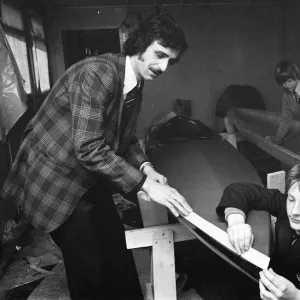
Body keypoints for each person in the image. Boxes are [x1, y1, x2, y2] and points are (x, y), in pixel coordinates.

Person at [0, 12, 193, 300]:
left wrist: (147, 167)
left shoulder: (134, 83)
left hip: (84, 176)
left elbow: (123, 138)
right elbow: (89, 147)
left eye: (171, 61)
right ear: (139, 45)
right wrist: (146, 185)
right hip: (55, 180)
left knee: (116, 253)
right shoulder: (98, 74)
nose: (164, 66)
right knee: (89, 269)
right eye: (160, 54)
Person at [216, 164, 300, 300]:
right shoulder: (284, 205)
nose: (295, 211)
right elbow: (238, 189)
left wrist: (295, 296)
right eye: (291, 199)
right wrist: (236, 222)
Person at [266, 60, 300, 144]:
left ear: (297, 75)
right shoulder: (286, 96)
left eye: (289, 81)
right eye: (284, 83)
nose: (287, 85)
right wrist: (277, 138)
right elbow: (286, 120)